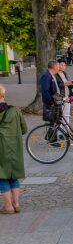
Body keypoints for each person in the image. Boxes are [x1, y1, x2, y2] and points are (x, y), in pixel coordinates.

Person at [0, 84, 27, 214]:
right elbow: (24, 129)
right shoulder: (15, 110)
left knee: (2, 176)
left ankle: (8, 206)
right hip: (14, 147)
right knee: (13, 176)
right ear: (3, 95)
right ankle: (16, 204)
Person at [55, 59, 73, 123]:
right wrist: (64, 84)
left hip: (67, 96)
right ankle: (59, 132)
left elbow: (68, 86)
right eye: (61, 65)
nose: (63, 66)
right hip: (60, 97)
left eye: (64, 65)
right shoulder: (55, 74)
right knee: (60, 116)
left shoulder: (64, 73)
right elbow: (56, 85)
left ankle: (67, 131)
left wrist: (71, 84)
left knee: (67, 115)